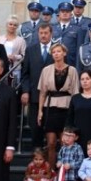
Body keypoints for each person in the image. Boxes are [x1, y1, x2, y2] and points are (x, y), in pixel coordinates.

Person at [37, 43, 80, 164]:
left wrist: (74, 112)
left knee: (64, 142)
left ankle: (63, 173)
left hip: (66, 108)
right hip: (50, 107)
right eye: (54, 52)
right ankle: (51, 172)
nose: (56, 54)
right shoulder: (46, 70)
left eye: (58, 51)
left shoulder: (72, 70)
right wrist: (40, 111)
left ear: (64, 53)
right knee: (50, 143)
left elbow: (75, 93)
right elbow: (42, 92)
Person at [20, 23, 54, 151]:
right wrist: (25, 91)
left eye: (46, 33)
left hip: (52, 96)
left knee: (50, 126)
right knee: (35, 125)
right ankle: (37, 152)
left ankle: (50, 153)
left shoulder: (57, 49)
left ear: (51, 34)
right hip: (34, 94)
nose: (43, 36)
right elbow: (25, 73)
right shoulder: (31, 49)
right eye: (41, 33)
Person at [0, 15, 28, 86]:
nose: (12, 26)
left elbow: (24, 56)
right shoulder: (0, 39)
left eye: (15, 25)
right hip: (1, 68)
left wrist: (15, 57)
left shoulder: (21, 40)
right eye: (10, 24)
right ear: (7, 25)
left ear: (17, 27)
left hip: (15, 69)